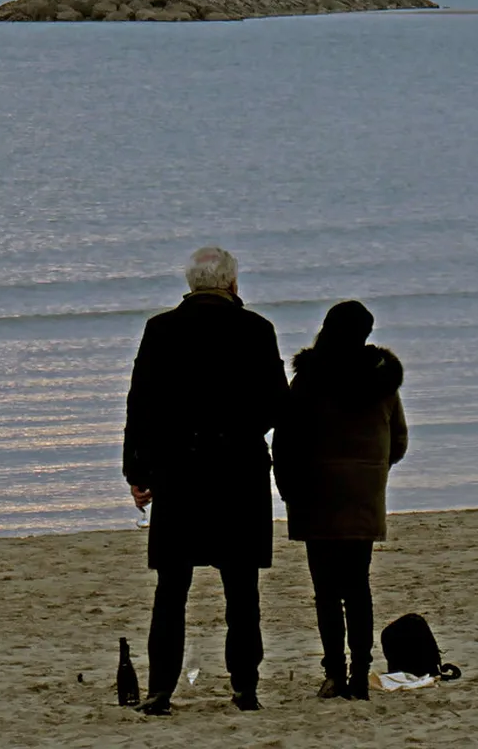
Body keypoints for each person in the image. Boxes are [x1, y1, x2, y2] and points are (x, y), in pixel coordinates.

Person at [122, 246, 288, 715]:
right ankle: (245, 687)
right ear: (232, 284)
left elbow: (141, 405)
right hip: (238, 472)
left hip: (179, 472)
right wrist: (241, 428)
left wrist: (137, 470)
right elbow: (278, 403)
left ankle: (160, 691)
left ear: (192, 285)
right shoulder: (256, 330)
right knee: (242, 590)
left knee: (171, 591)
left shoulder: (161, 330)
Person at [272, 300, 408, 701]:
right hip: (363, 493)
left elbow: (286, 441)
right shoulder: (383, 383)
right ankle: (361, 673)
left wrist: (288, 489)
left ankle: (334, 672)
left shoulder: (308, 380)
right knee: (359, 585)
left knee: (327, 590)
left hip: (317, 494)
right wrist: (371, 471)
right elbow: (397, 441)